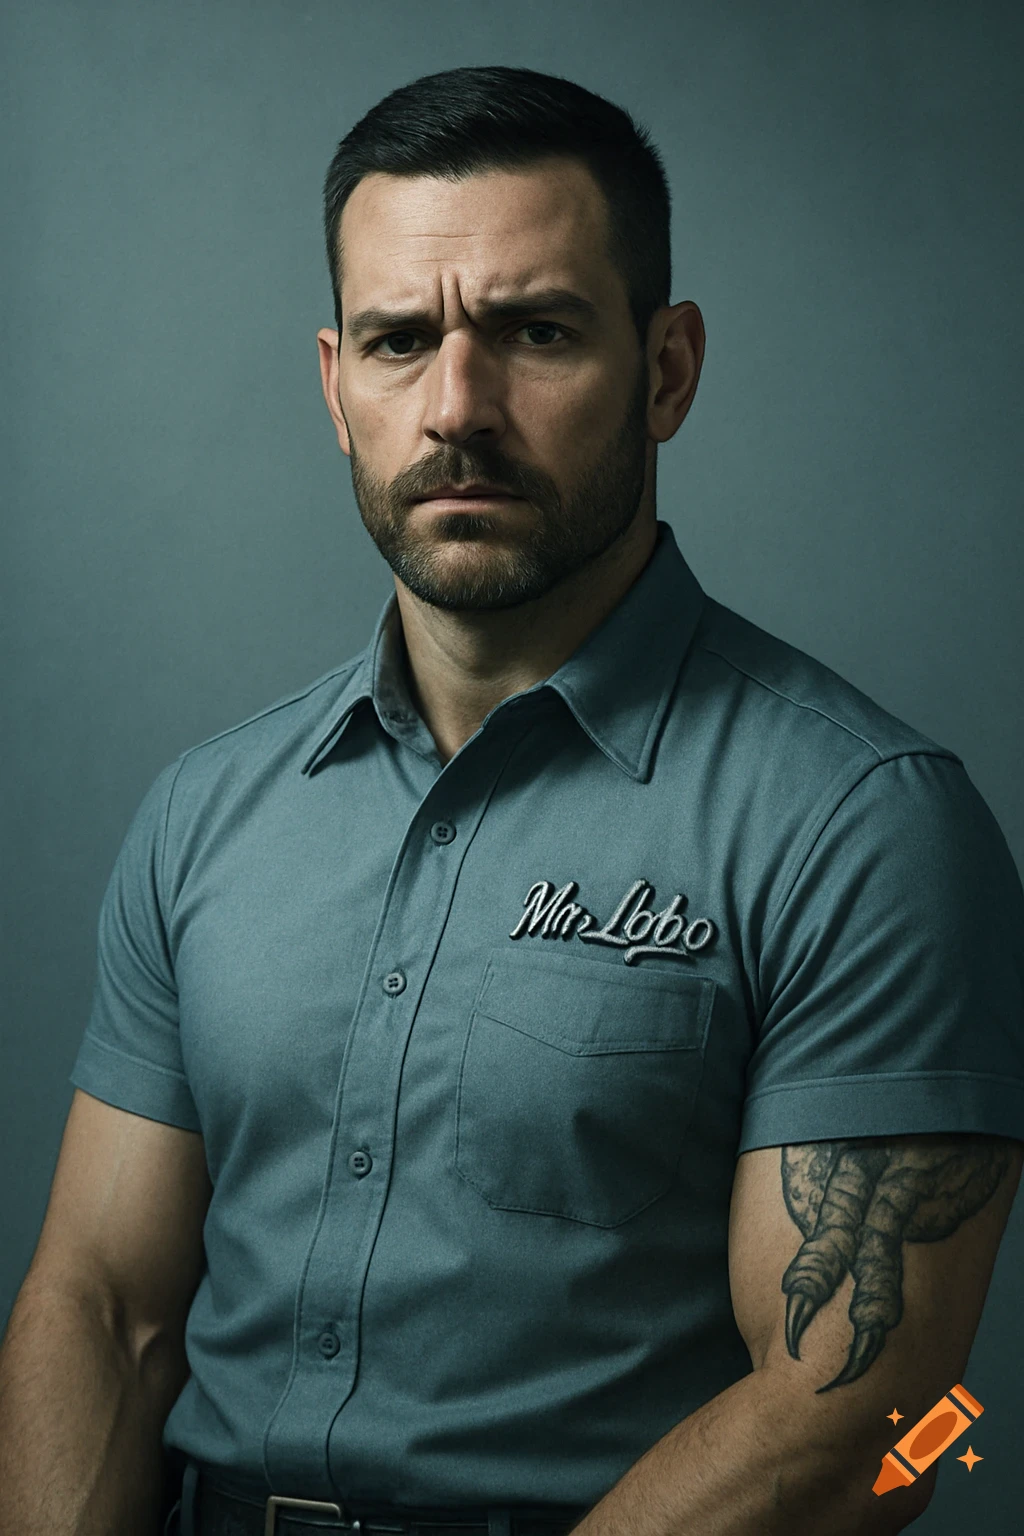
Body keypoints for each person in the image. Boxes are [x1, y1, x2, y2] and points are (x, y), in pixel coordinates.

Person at [1, 63, 1021, 1536]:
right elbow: (102, 1309)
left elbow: (887, 1416)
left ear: (667, 369)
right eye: (400, 341)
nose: (457, 407)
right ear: (336, 385)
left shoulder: (867, 827)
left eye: (535, 333)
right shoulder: (206, 814)